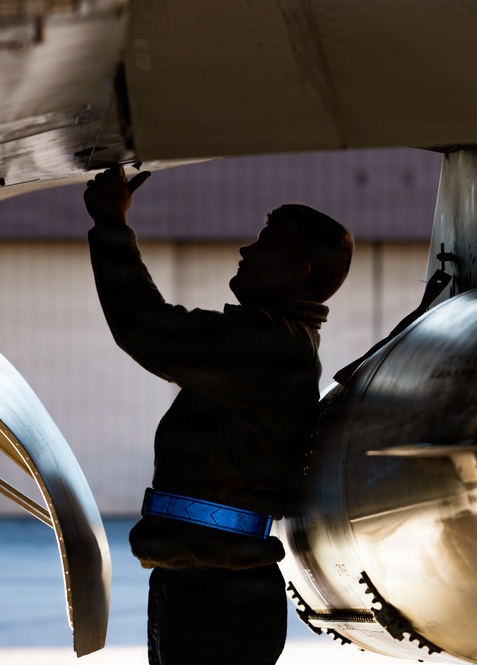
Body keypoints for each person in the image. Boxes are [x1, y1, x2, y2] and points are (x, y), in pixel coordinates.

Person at [83, 165, 354, 665]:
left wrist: (110, 225)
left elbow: (144, 326)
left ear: (300, 272)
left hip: (219, 597)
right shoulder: (274, 344)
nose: (246, 251)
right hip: (199, 581)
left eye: (264, 242)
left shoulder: (271, 348)